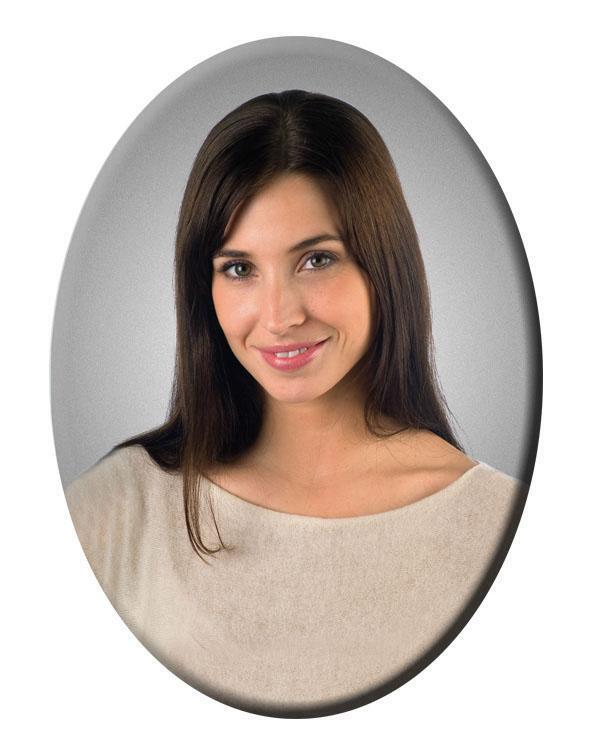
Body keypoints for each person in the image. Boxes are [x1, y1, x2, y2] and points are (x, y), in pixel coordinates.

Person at [65, 90, 527, 716]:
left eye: (316, 260)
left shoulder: (499, 523)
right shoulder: (121, 508)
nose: (280, 316)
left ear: (384, 267)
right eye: (239, 269)